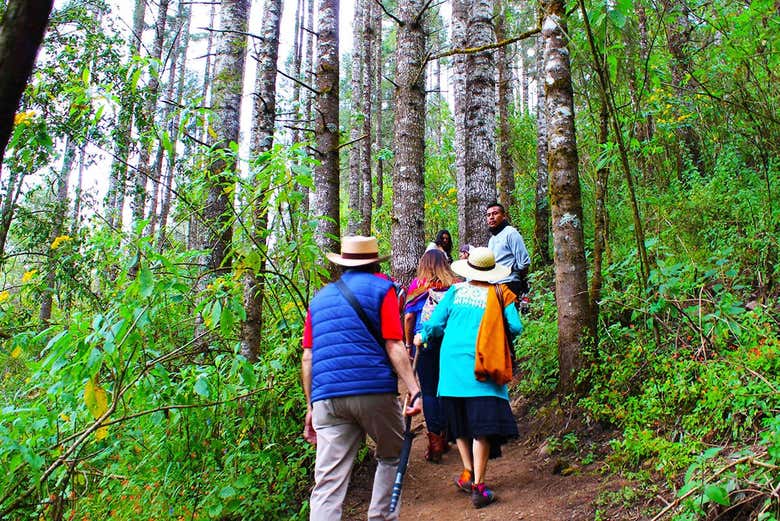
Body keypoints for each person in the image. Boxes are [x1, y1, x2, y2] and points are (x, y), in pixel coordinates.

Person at [301, 236, 422, 521]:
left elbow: (308, 357)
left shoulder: (318, 300)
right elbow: (393, 344)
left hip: (326, 396)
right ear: (374, 262)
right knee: (392, 454)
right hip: (372, 390)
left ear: (343, 263)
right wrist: (415, 391)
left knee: (328, 481)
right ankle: (380, 516)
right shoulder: (383, 289)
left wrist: (310, 407)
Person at [414, 247, 522, 509]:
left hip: (451, 363)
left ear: (470, 269)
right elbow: (516, 327)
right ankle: (479, 486)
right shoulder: (502, 294)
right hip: (484, 362)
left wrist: (422, 336)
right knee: (481, 426)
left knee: (459, 421)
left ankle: (467, 473)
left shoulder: (456, 291)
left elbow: (436, 323)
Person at [403, 249, 461, 463]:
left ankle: (435, 440)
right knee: (446, 387)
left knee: (428, 389)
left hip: (424, 342)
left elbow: (409, 316)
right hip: (450, 343)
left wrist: (408, 344)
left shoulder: (418, 286)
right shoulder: (455, 285)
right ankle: (446, 433)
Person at [486, 202, 531, 299]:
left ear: (503, 216)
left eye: (495, 213)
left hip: (509, 283)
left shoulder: (511, 233)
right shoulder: (492, 239)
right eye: (488, 215)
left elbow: (524, 262)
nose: (491, 217)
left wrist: (511, 269)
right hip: (493, 285)